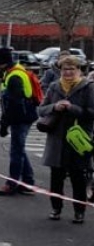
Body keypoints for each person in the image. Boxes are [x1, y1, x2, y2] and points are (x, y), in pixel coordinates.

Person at [37, 54, 94, 222]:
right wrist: (55, 106)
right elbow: (41, 110)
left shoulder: (87, 88)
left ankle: (79, 211)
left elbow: (92, 113)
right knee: (56, 177)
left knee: (78, 178)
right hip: (57, 139)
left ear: (79, 70)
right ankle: (56, 208)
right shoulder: (54, 86)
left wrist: (73, 108)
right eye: (64, 69)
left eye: (72, 69)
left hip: (78, 139)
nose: (68, 72)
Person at [0, 47, 37, 195]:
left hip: (20, 118)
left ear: (2, 63)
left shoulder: (14, 77)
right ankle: (28, 181)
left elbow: (14, 104)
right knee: (19, 149)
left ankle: (12, 183)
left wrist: (4, 124)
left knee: (16, 151)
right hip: (24, 115)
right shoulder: (15, 71)